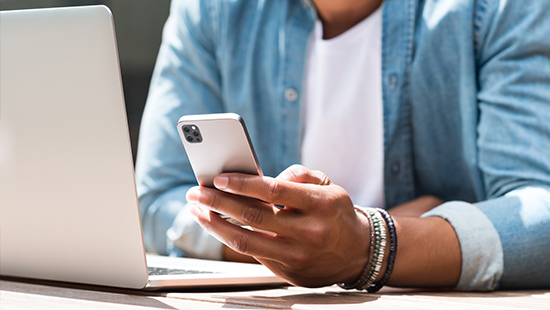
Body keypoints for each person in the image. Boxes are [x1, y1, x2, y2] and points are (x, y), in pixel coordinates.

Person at [135, 0, 550, 291]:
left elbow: (540, 211)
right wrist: (311, 245)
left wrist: (368, 243)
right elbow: (155, 203)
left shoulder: (497, 8)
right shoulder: (211, 9)